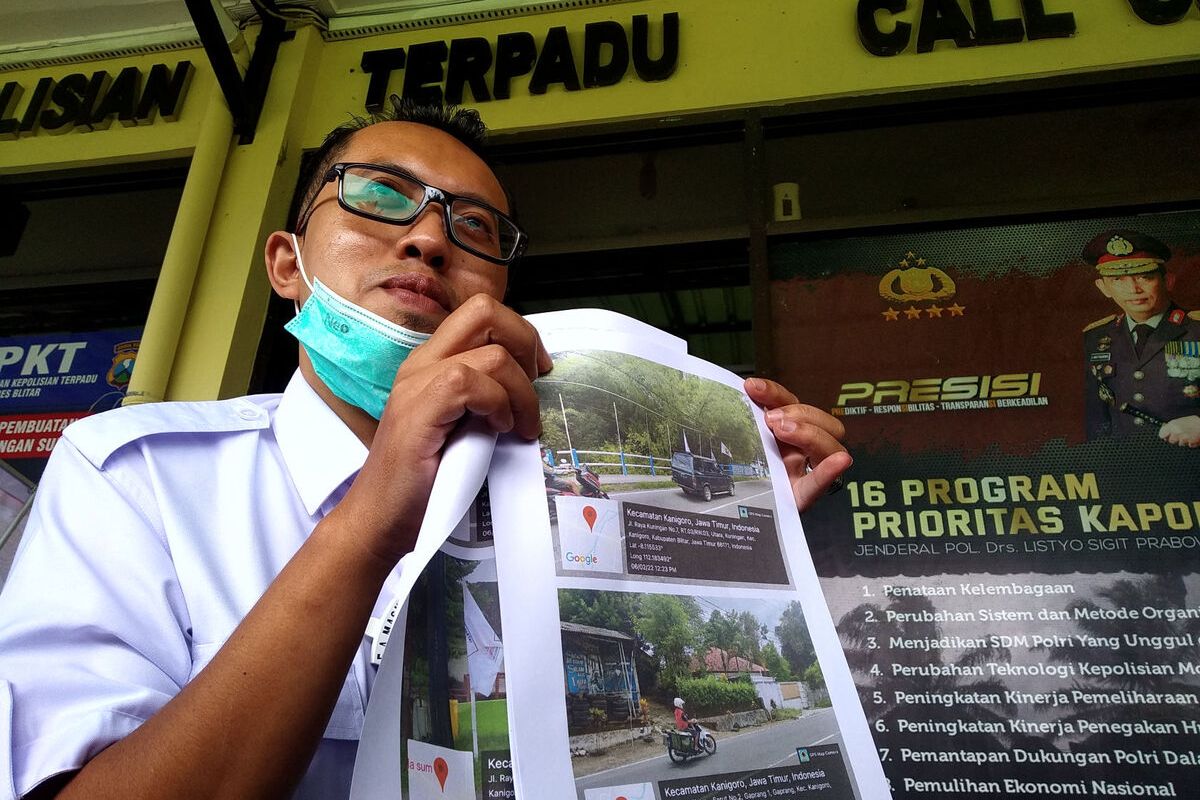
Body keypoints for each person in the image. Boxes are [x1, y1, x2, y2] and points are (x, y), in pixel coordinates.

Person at [0, 100, 851, 800]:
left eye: (474, 227)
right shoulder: (133, 475)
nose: (428, 239)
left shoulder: (547, 490)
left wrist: (743, 544)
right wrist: (372, 518)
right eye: (377, 196)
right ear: (285, 265)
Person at [1082, 229, 1200, 447]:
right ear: (1103, 288)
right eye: (1118, 279)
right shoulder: (1096, 337)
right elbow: (1096, 418)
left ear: (1168, 280)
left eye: (1144, 277)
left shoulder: (1196, 329)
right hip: (1126, 468)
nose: (1133, 289)